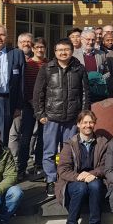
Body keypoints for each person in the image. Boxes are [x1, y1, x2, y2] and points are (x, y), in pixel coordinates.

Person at [33, 38, 89, 197]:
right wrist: (40, 114)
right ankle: (51, 179)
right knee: (49, 151)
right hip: (51, 118)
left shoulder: (79, 69)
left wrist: (84, 114)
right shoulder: (47, 68)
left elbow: (85, 93)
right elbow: (38, 93)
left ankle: (67, 178)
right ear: (55, 52)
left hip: (72, 118)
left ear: (72, 51)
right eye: (60, 50)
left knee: (70, 151)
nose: (63, 53)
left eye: (66, 49)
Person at [56, 111, 108, 224]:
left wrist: (92, 174)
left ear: (94, 124)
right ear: (78, 124)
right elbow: (63, 169)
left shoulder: (102, 142)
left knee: (96, 185)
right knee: (80, 188)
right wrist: (80, 176)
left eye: (91, 122)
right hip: (74, 180)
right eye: (84, 122)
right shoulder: (70, 144)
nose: (88, 125)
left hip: (94, 178)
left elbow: (105, 165)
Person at [8, 37, 47, 180]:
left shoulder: (49, 64)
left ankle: (38, 165)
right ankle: (21, 167)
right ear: (33, 49)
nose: (40, 50)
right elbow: (25, 86)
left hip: (45, 107)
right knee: (26, 137)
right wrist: (30, 101)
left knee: (43, 138)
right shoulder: (28, 65)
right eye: (37, 47)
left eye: (42, 47)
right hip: (29, 105)